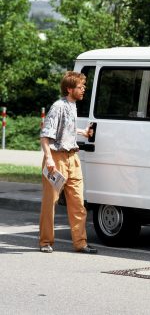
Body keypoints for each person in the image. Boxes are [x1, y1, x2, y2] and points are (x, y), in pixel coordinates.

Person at [38, 71, 97, 254]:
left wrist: (83, 133)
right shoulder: (58, 106)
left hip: (73, 158)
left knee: (78, 203)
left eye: (83, 87)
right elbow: (45, 134)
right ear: (69, 89)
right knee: (51, 202)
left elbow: (66, 129)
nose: (83, 90)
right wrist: (49, 158)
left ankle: (80, 243)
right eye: (80, 87)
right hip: (57, 158)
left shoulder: (72, 106)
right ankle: (45, 241)